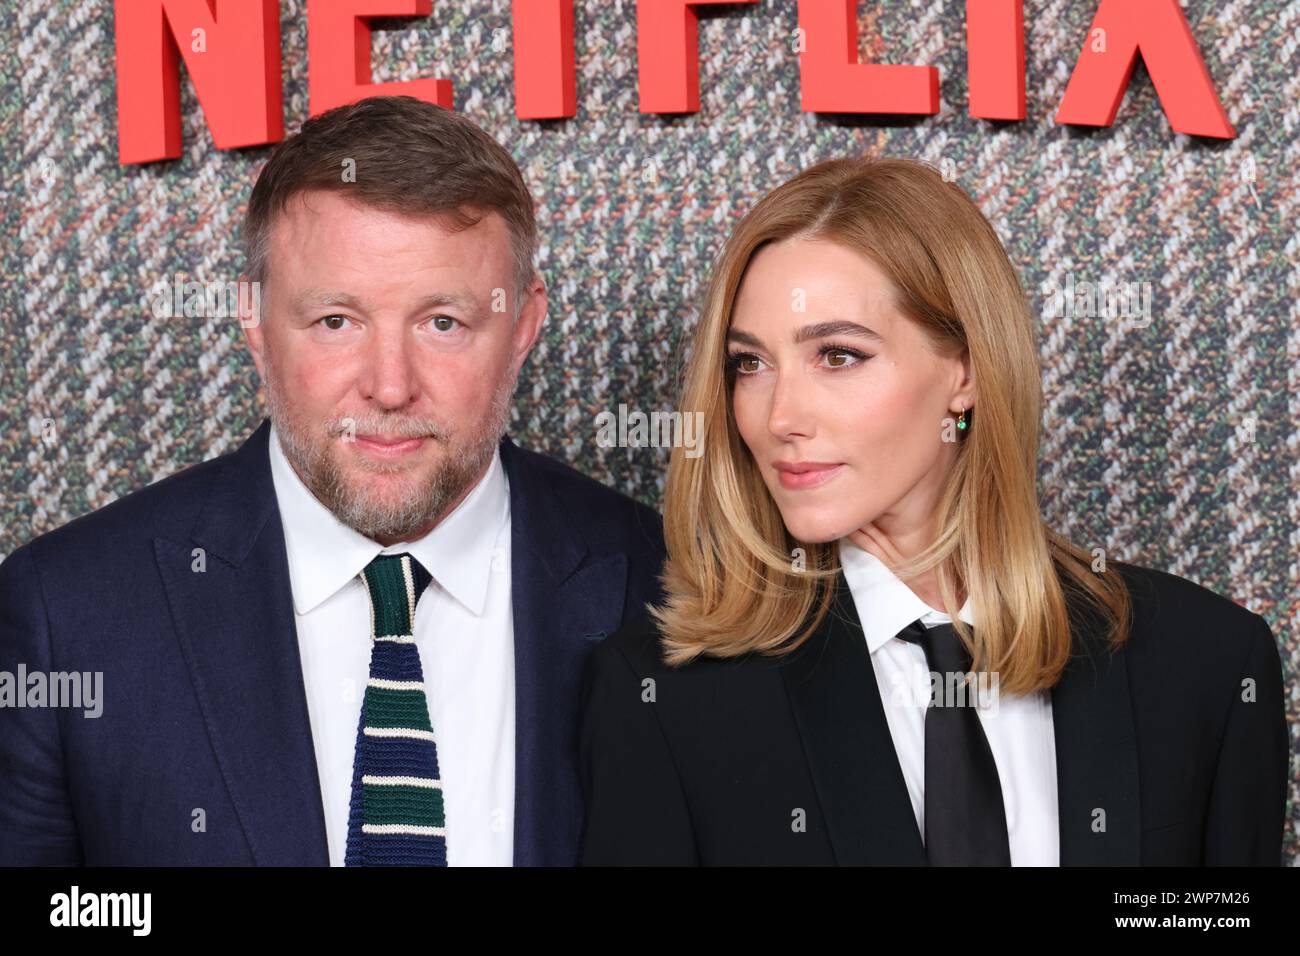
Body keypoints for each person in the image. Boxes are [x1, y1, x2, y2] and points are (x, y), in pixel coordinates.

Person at [0, 95, 665, 866]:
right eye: (336, 322)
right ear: (254, 325)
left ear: (521, 326)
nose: (389, 388)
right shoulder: (67, 616)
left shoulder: (672, 586)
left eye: (442, 322)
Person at [578, 156, 1289, 866]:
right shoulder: (665, 700)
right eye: (750, 364)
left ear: (967, 371)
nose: (780, 417)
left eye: (837, 355)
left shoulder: (1206, 664)